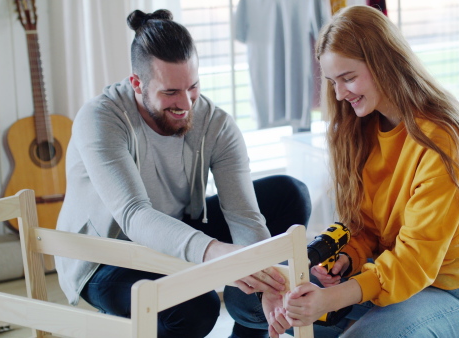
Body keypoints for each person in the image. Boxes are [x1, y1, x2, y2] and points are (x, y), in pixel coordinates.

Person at [229, 5, 459, 337]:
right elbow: (365, 226)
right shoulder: (362, 128)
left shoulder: (442, 142)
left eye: (348, 78)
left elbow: (415, 262)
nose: (339, 94)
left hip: (445, 288)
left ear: (384, 62)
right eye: (332, 81)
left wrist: (329, 299)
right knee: (249, 297)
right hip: (379, 271)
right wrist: (347, 258)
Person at [54, 9, 311, 338]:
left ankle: (251, 308)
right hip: (105, 257)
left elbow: (244, 216)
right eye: (170, 93)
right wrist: (215, 255)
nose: (186, 104)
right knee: (196, 307)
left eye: (192, 87)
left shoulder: (214, 123)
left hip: (175, 232)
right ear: (137, 84)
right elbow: (134, 214)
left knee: (289, 194)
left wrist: (264, 279)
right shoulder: (101, 118)